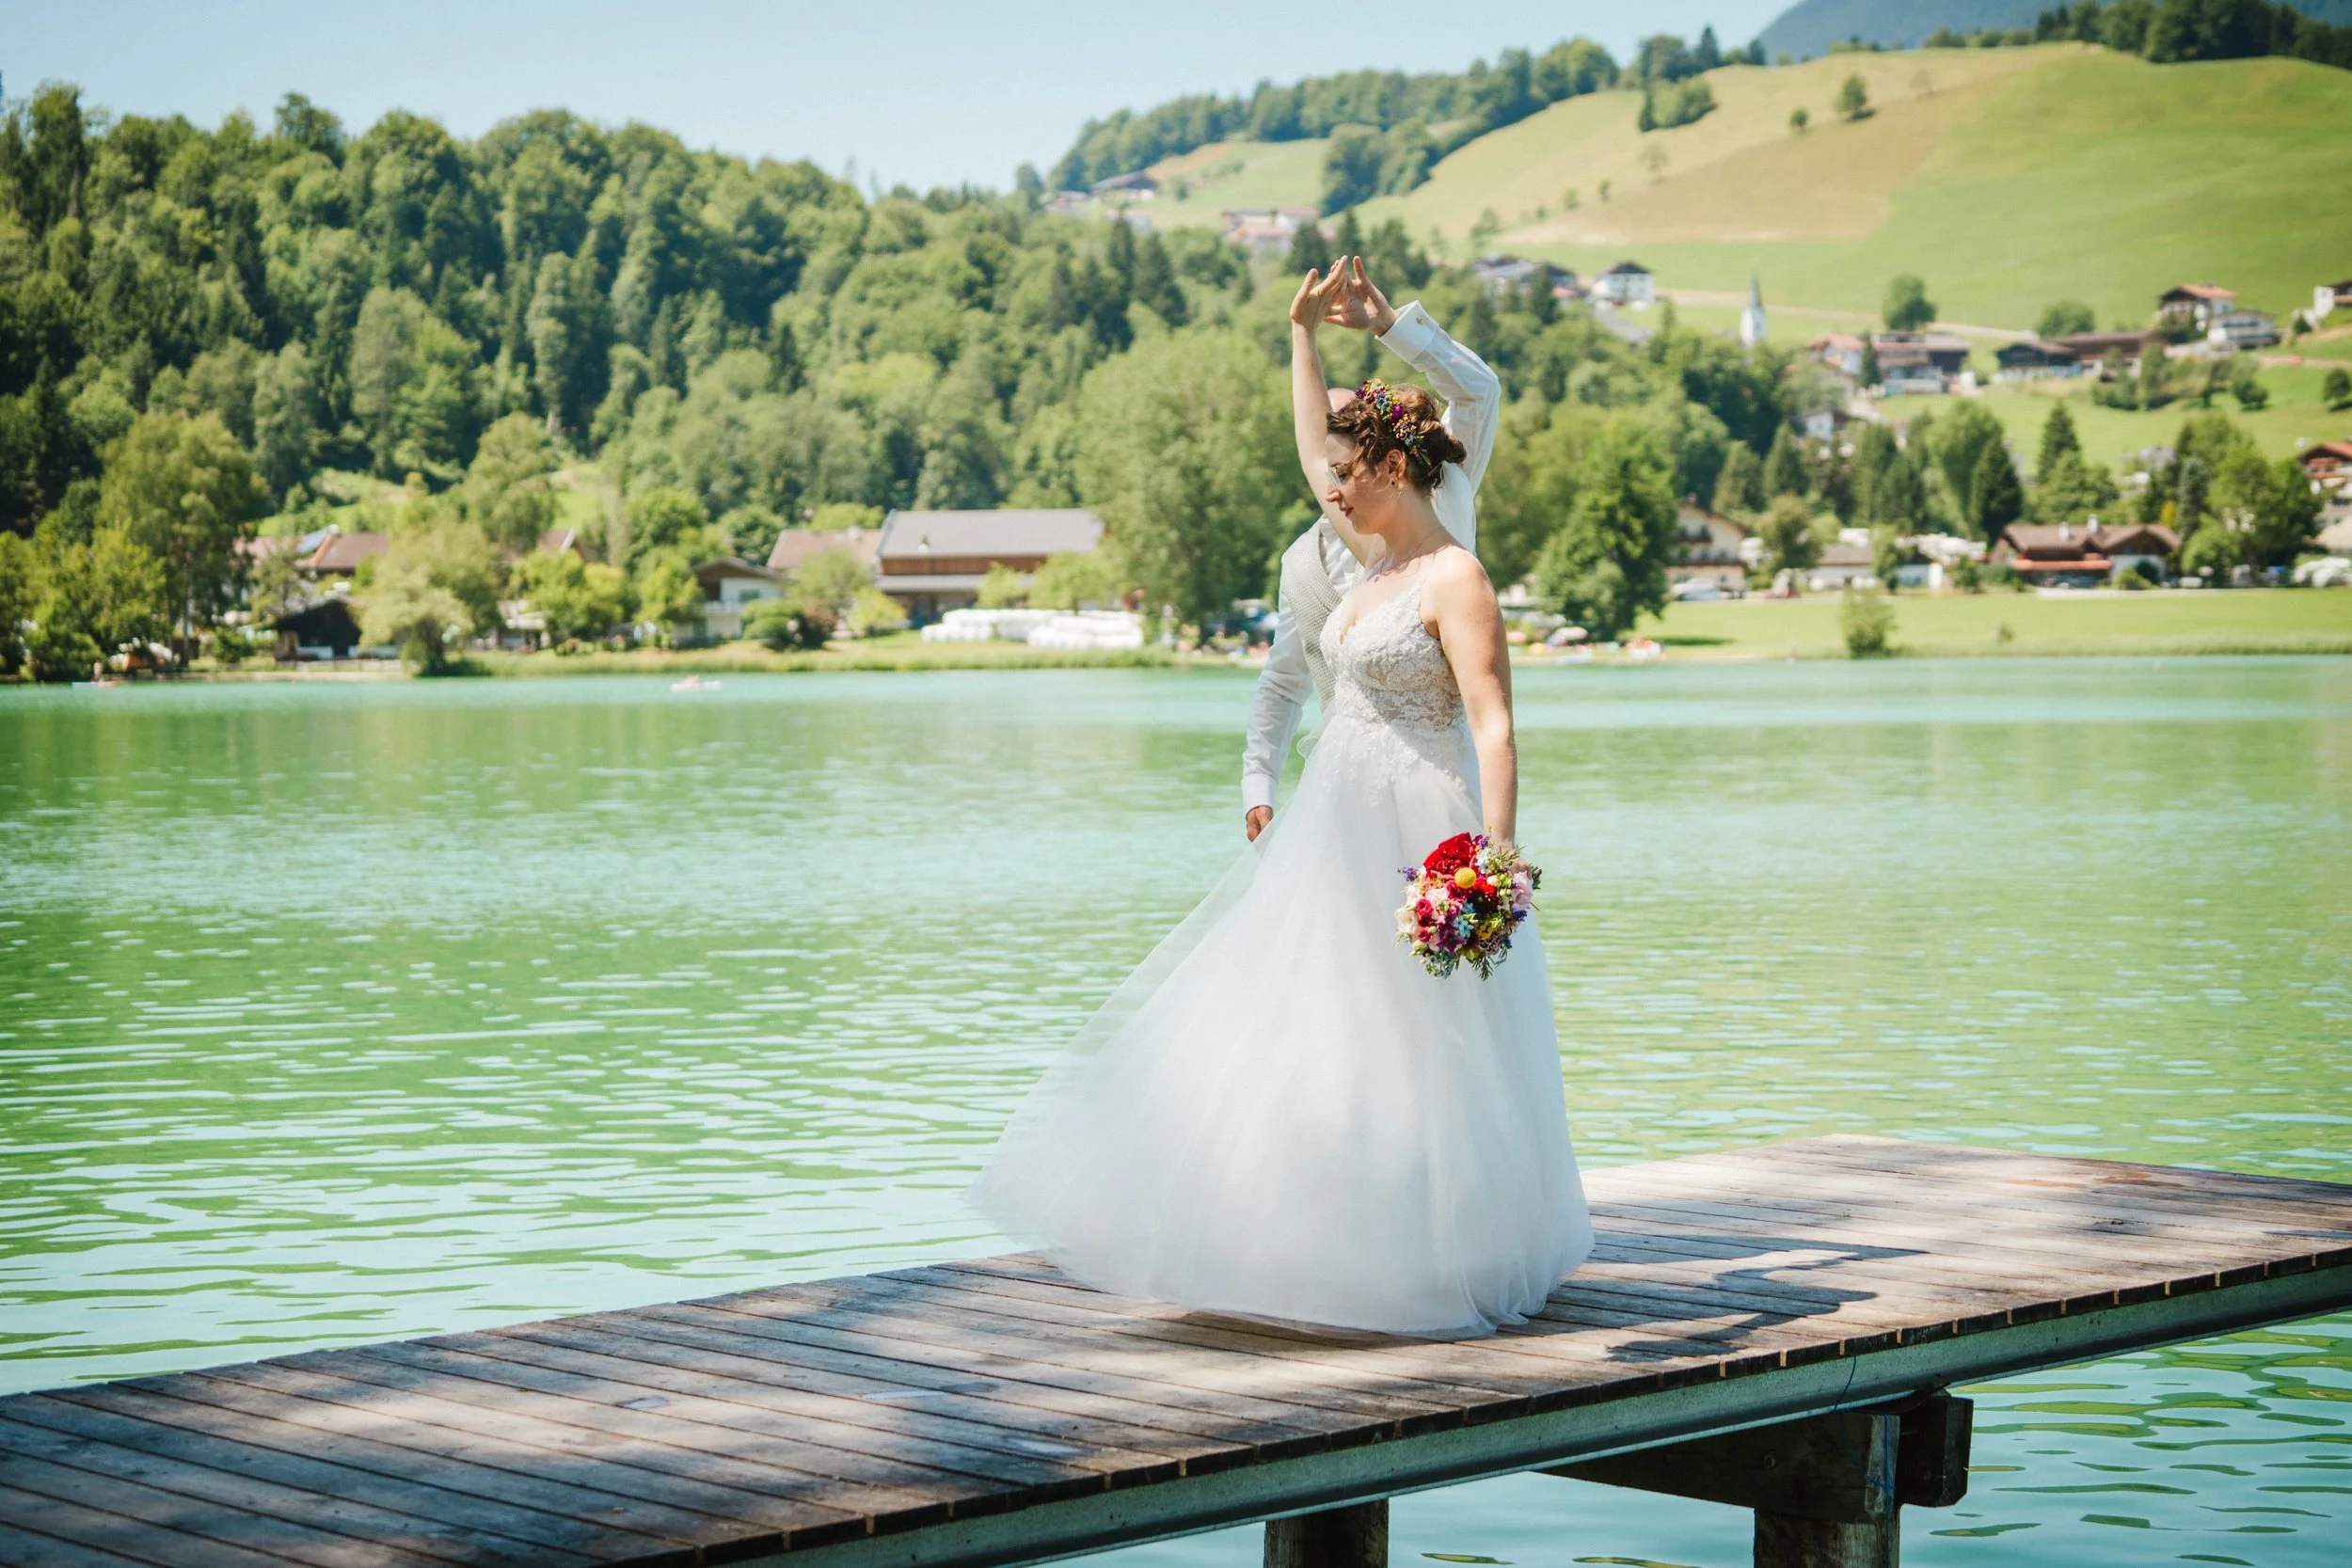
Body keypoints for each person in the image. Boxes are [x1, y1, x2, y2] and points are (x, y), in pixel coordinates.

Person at [971, 259, 1591, 1338]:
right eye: (1336, 478)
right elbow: (1310, 478)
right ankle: (1313, 1236)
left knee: (1433, 1033)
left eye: (1353, 473)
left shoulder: (1454, 565)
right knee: (1324, 1027)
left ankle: (1446, 1249)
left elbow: (1491, 718)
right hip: (1335, 826)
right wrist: (1300, 336)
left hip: (1420, 820)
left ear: (1395, 465)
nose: (1331, 487)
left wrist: (1491, 857)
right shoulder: (1362, 565)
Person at [1244, 261, 1502, 842]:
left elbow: (1479, 391)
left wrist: (1390, 325)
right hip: (1338, 800)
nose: (1334, 471)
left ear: (1387, 459)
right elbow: (1284, 681)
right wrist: (1258, 785)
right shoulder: (1300, 565)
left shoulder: (1446, 501)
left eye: (1349, 448)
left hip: (1436, 791)